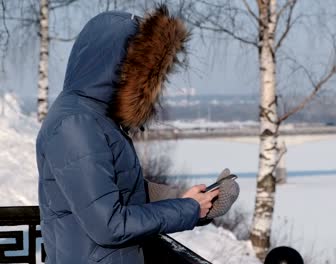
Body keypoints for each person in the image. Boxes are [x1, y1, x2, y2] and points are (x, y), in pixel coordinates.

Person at [35, 6, 233, 264]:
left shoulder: (95, 117)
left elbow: (116, 189)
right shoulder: (76, 124)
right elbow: (109, 225)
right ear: (113, 65)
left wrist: (193, 199)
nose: (146, 84)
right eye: (140, 70)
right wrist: (189, 209)